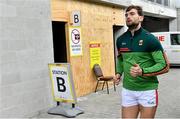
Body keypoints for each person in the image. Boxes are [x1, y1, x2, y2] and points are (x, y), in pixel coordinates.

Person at [115, 5, 169, 118]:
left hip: (147, 91)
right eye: (126, 15)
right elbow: (120, 59)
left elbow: (164, 65)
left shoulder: (150, 39)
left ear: (141, 18)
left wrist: (142, 71)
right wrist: (118, 73)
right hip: (128, 90)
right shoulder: (120, 40)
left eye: (132, 14)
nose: (128, 16)